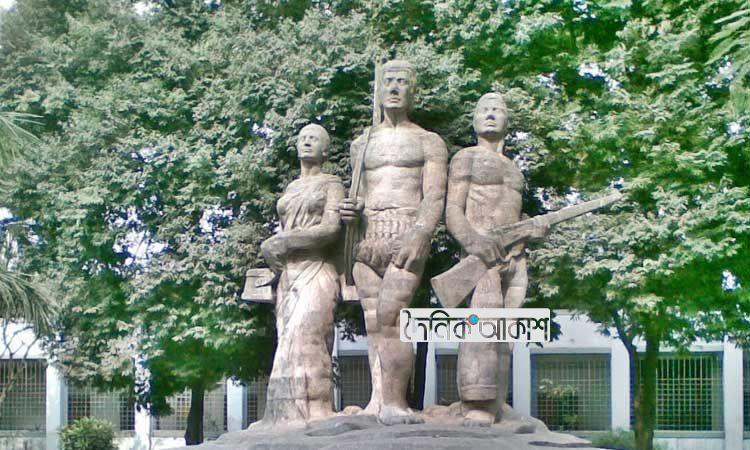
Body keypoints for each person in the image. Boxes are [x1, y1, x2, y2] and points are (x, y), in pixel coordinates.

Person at [339, 60, 448, 425]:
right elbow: (360, 193)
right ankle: (378, 400)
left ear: (412, 91)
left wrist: (421, 233)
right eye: (389, 81)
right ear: (379, 89)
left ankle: (396, 402)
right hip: (367, 238)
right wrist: (350, 210)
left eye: (402, 82)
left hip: (405, 233)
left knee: (393, 318)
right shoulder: (361, 144)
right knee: (372, 322)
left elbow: (434, 196)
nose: (395, 87)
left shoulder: (428, 141)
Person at [445, 93, 545, 427]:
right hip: (482, 255)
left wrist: (534, 228)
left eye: (497, 110)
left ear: (507, 121)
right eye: (484, 110)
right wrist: (474, 242)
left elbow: (512, 213)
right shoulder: (466, 157)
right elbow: (453, 211)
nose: (490, 114)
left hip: (516, 257)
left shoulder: (514, 169)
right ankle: (476, 403)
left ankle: (497, 402)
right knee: (481, 327)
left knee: (506, 334)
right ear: (474, 120)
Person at [260, 123, 344, 423]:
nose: (307, 142)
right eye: (303, 138)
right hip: (288, 273)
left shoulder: (333, 184)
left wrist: (284, 241)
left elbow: (331, 229)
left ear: (326, 150)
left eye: (315, 139)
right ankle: (284, 413)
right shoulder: (291, 188)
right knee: (286, 342)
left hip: (316, 268)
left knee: (309, 336)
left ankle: (318, 407)